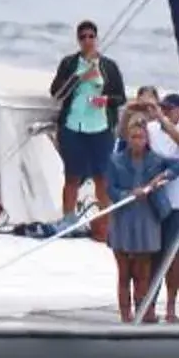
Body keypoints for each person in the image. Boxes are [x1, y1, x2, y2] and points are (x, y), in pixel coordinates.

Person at [102, 117, 179, 322]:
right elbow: (110, 189)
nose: (137, 140)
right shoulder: (115, 160)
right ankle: (125, 314)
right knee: (124, 273)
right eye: (133, 137)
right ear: (127, 138)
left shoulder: (156, 159)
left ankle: (144, 310)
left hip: (147, 218)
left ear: (146, 139)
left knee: (143, 272)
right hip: (123, 218)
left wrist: (161, 177)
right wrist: (128, 194)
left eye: (140, 136)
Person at [49, 20, 127, 222]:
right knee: (72, 175)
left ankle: (104, 221)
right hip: (74, 126)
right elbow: (57, 92)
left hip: (100, 127)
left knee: (102, 176)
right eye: (83, 37)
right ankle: (68, 218)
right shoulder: (70, 64)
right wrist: (79, 77)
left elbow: (121, 97)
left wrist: (106, 100)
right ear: (78, 40)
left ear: (97, 38)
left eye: (91, 36)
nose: (88, 40)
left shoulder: (109, 66)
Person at [144, 93, 179, 321]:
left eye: (170, 108)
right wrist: (136, 108)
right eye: (163, 108)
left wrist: (162, 120)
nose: (165, 111)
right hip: (156, 198)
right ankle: (148, 305)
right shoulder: (153, 127)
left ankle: (172, 306)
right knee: (154, 254)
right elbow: (129, 133)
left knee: (175, 253)